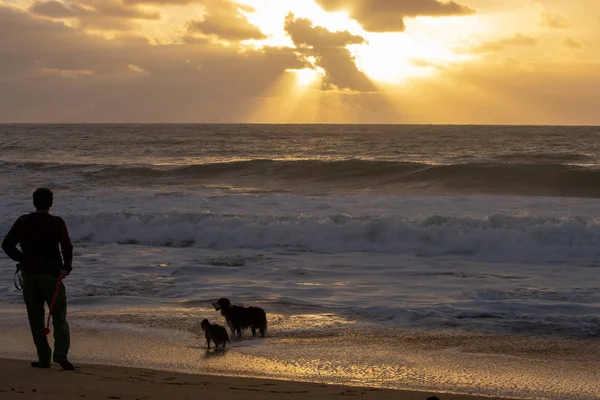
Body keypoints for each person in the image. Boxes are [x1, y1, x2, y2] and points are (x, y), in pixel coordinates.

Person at [2, 188, 75, 370]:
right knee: (58, 316)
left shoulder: (23, 221)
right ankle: (60, 355)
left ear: (34, 202)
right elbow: (67, 246)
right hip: (51, 276)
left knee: (35, 318)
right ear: (51, 203)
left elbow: (6, 245)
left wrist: (22, 259)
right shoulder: (57, 222)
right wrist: (67, 267)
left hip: (30, 277)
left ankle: (44, 358)